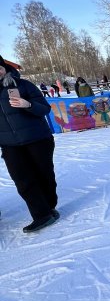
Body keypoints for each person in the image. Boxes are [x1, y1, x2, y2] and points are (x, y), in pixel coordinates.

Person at [0, 55, 59, 232]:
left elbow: (44, 108)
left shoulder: (23, 84)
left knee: (44, 174)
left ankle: (49, 208)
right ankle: (41, 215)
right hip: (10, 145)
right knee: (22, 180)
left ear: (4, 67)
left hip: (37, 139)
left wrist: (27, 104)